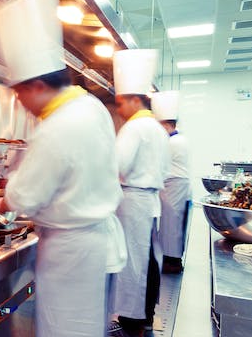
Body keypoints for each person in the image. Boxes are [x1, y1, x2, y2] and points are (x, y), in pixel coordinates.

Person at [0, 0, 126, 337]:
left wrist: (2, 201)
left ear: (35, 86)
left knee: (64, 330)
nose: (19, 103)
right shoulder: (89, 107)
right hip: (90, 243)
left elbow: (25, 199)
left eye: (18, 93)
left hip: (68, 251)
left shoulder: (58, 127)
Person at [108, 50, 170, 337]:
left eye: (120, 103)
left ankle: (132, 323)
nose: (119, 109)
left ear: (135, 99)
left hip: (133, 199)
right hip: (147, 200)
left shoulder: (135, 127)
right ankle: (144, 317)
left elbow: (115, 166)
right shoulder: (156, 128)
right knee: (146, 259)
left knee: (132, 263)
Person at [152, 91, 191, 274]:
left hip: (174, 185)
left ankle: (172, 262)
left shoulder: (173, 142)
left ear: (167, 124)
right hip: (174, 186)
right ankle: (171, 259)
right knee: (171, 224)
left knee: (171, 225)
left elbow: (158, 165)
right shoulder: (177, 139)